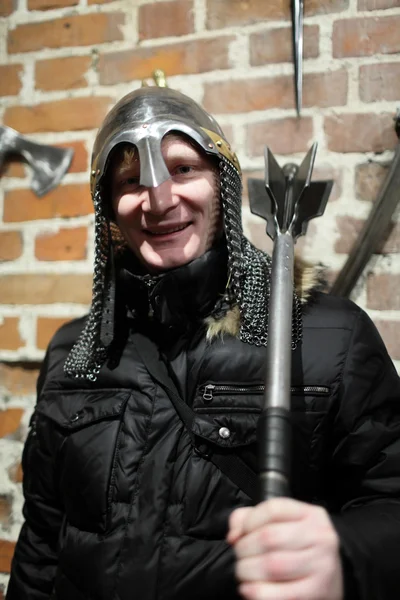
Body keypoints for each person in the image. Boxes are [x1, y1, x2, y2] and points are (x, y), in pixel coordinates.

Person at [6, 86, 400, 600]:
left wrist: (346, 554)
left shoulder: (331, 336)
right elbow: (42, 544)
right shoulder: (74, 354)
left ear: (223, 182)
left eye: (184, 169)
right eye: (130, 180)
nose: (160, 199)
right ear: (109, 211)